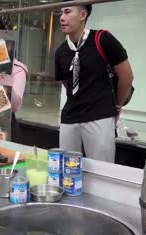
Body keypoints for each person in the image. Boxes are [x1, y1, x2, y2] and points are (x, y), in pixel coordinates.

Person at [55, 1, 134, 163]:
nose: (62, 18)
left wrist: (117, 105)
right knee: (68, 169)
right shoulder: (61, 51)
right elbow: (67, 83)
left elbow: (126, 76)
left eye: (68, 12)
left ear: (83, 15)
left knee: (102, 169)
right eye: (61, 13)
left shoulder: (103, 39)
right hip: (70, 116)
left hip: (99, 115)